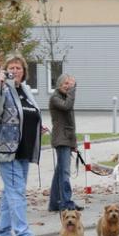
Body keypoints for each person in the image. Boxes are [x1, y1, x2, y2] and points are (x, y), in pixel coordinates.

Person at [0, 53, 47, 236]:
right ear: (4, 70)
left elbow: (27, 114)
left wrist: (37, 127)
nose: (15, 71)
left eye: (19, 67)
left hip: (24, 149)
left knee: (11, 192)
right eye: (11, 67)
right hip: (6, 150)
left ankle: (2, 234)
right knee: (17, 191)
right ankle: (23, 235)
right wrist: (0, 86)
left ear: (24, 71)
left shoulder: (25, 90)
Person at [48, 74, 84, 212]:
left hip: (67, 139)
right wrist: (73, 91)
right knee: (64, 173)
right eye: (65, 84)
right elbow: (67, 106)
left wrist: (73, 143)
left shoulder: (65, 97)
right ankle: (66, 203)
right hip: (60, 139)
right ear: (59, 85)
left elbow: (71, 124)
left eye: (70, 84)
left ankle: (54, 203)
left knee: (59, 173)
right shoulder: (55, 98)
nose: (68, 87)